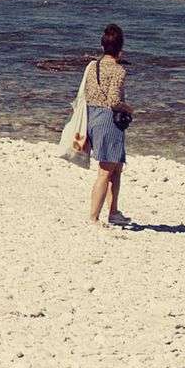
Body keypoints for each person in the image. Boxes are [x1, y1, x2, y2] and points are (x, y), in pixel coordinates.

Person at [77, 22, 130, 230]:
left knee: (115, 166)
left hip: (93, 117)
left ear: (102, 47)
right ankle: (94, 217)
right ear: (120, 48)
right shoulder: (119, 70)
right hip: (109, 120)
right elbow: (114, 100)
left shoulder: (92, 66)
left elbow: (87, 94)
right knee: (105, 171)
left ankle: (114, 212)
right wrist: (130, 109)